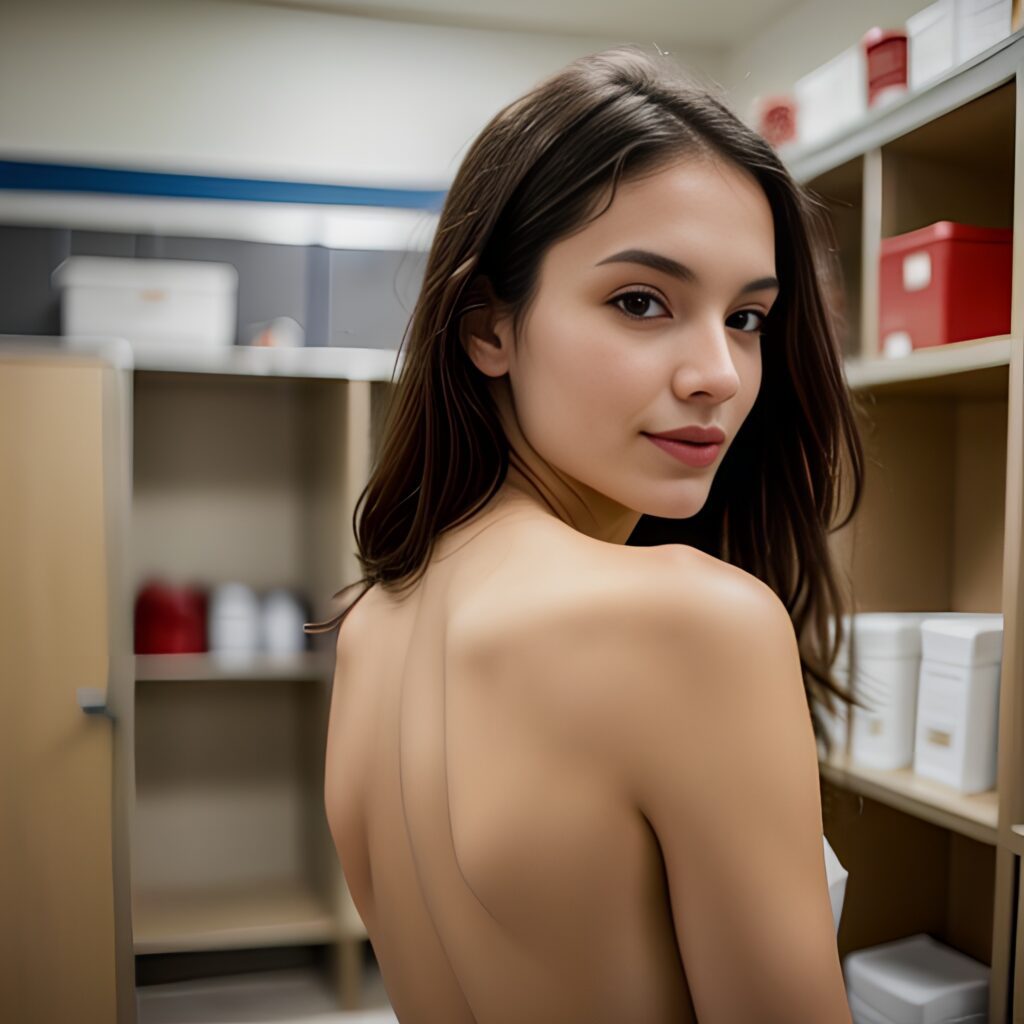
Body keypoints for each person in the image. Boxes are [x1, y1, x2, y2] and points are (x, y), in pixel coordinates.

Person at [307, 42, 868, 1023]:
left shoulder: (371, 620)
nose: (719, 374)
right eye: (641, 301)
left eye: (745, 316)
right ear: (488, 326)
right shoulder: (697, 626)